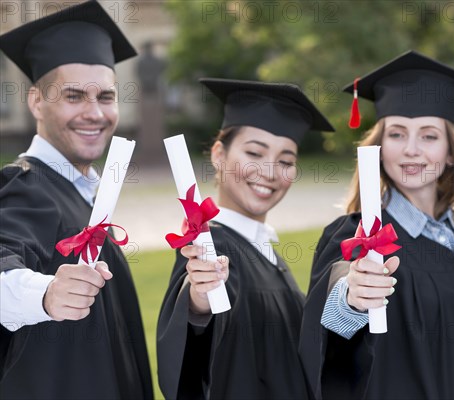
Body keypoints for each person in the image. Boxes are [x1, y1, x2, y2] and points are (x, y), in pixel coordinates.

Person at [299, 51, 454, 399]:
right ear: (380, 147)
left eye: (429, 136)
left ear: (450, 152)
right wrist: (352, 297)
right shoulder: (355, 236)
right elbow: (328, 326)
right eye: (397, 134)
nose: (411, 150)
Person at [0, 2, 153, 398]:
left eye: (106, 96)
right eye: (73, 96)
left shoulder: (87, 195)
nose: (94, 113)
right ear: (36, 101)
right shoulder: (24, 188)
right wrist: (46, 294)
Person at [157, 78, 335, 399]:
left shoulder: (265, 251)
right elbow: (202, 327)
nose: (269, 171)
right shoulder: (212, 248)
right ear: (218, 155)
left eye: (286, 161)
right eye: (254, 152)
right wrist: (199, 300)